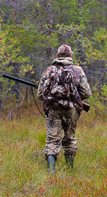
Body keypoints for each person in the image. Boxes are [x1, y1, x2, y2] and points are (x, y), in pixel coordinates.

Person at [37, 45, 91, 173]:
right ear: (71, 56)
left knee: (52, 140)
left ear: (57, 56)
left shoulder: (49, 70)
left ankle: (51, 173)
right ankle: (69, 171)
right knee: (70, 138)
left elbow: (40, 95)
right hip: (72, 110)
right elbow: (86, 93)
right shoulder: (77, 70)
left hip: (53, 109)